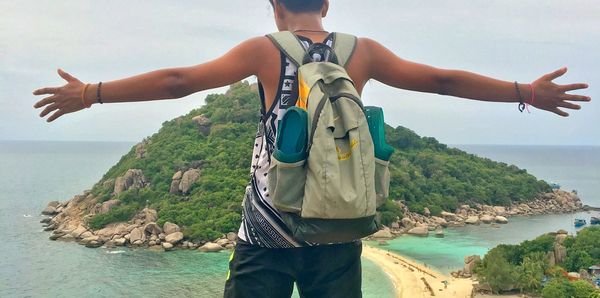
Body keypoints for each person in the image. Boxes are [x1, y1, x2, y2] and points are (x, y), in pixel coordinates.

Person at [32, 0, 591, 297]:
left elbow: (180, 80)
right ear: (326, 3)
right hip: (339, 225)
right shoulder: (362, 52)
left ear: (274, 6)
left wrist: (90, 94)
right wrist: (525, 93)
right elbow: (442, 80)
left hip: (268, 229)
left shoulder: (265, 49)